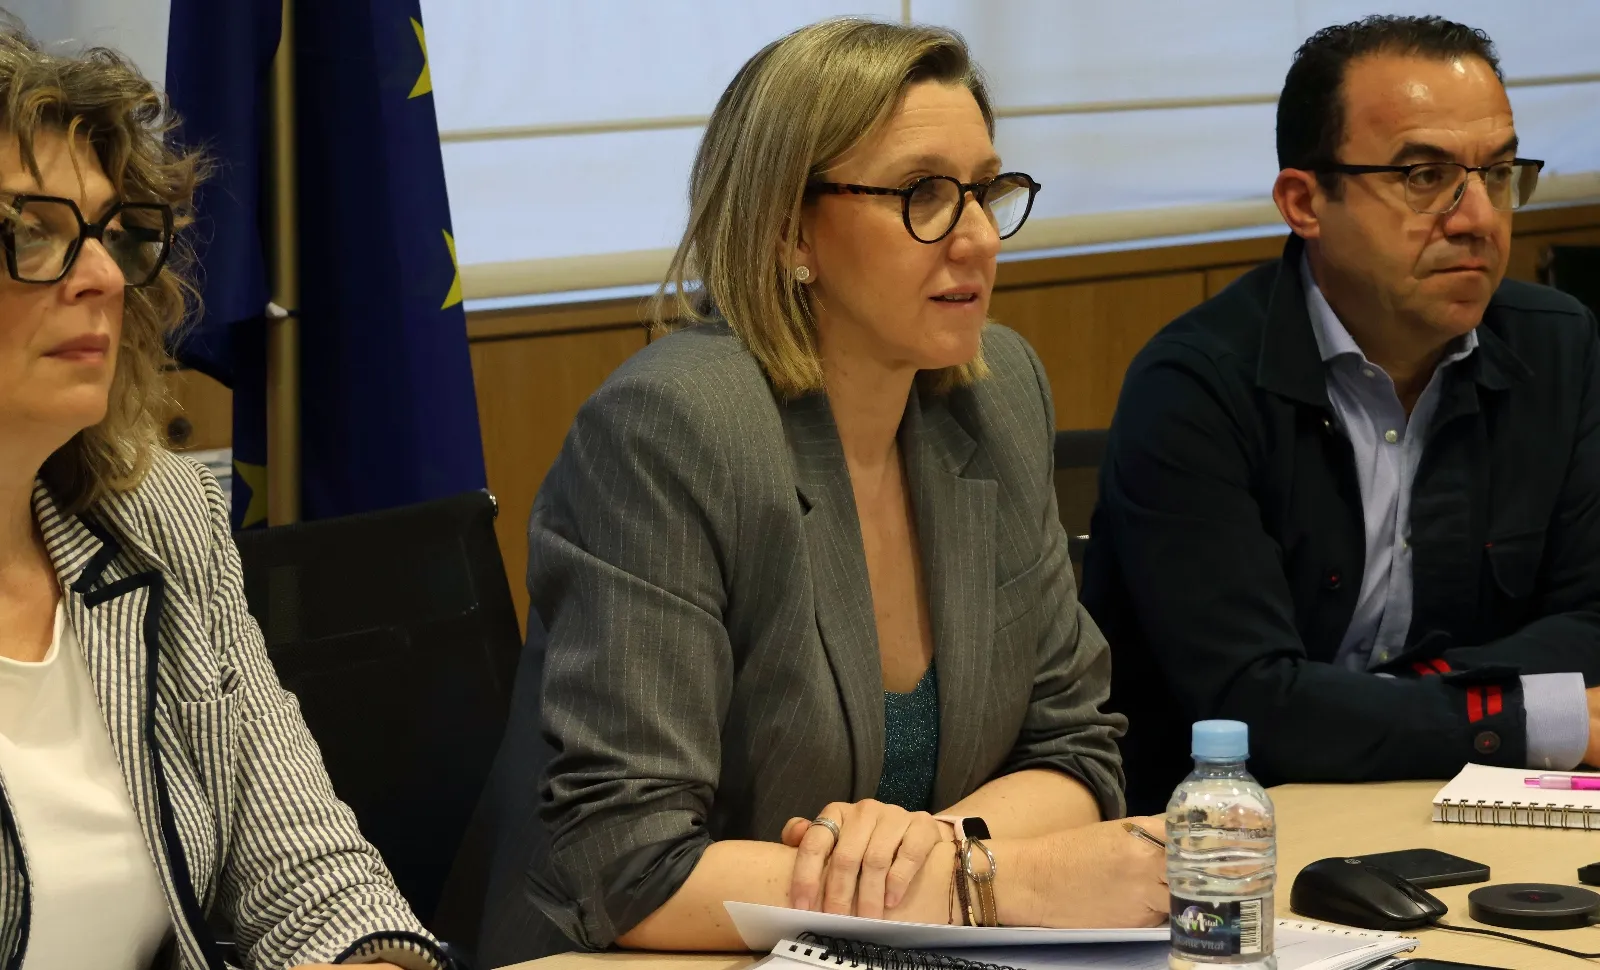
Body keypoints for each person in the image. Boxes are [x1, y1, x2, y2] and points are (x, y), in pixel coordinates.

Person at [476, 17, 1165, 963]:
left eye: (986, 191)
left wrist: (943, 860)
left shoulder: (998, 393)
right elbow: (629, 863)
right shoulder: (671, 430)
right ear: (787, 230)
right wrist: (990, 885)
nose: (976, 239)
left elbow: (1074, 750)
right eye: (925, 194)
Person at [0, 30, 457, 970]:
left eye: (110, 231)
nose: (103, 277)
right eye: (32, 232)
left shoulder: (161, 518)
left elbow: (313, 879)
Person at [1082, 14, 1600, 815]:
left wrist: (1394, 703)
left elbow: (1590, 623)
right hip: (1232, 834)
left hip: (1466, 798)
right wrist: (1518, 716)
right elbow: (1253, 708)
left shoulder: (1557, 345)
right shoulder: (1194, 386)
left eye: (1498, 173)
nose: (1478, 218)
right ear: (1304, 201)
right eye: (1425, 176)